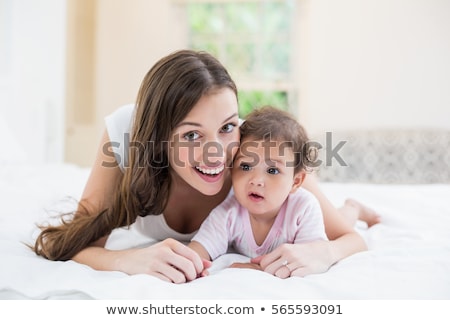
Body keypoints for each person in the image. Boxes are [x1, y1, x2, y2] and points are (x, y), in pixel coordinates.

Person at [33, 49, 378, 283]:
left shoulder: (250, 151)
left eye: (227, 127)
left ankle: (352, 206)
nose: (216, 154)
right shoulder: (127, 132)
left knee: (333, 216)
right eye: (192, 135)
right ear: (158, 136)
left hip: (282, 221)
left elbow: (350, 240)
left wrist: (323, 253)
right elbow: (75, 244)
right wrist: (127, 261)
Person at [189, 106, 328, 278]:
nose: (256, 180)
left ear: (296, 181)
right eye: (246, 166)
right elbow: (199, 248)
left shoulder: (304, 208)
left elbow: (307, 261)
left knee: (345, 218)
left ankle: (353, 208)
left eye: (272, 171)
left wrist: (260, 269)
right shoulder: (228, 213)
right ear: (231, 170)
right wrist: (191, 264)